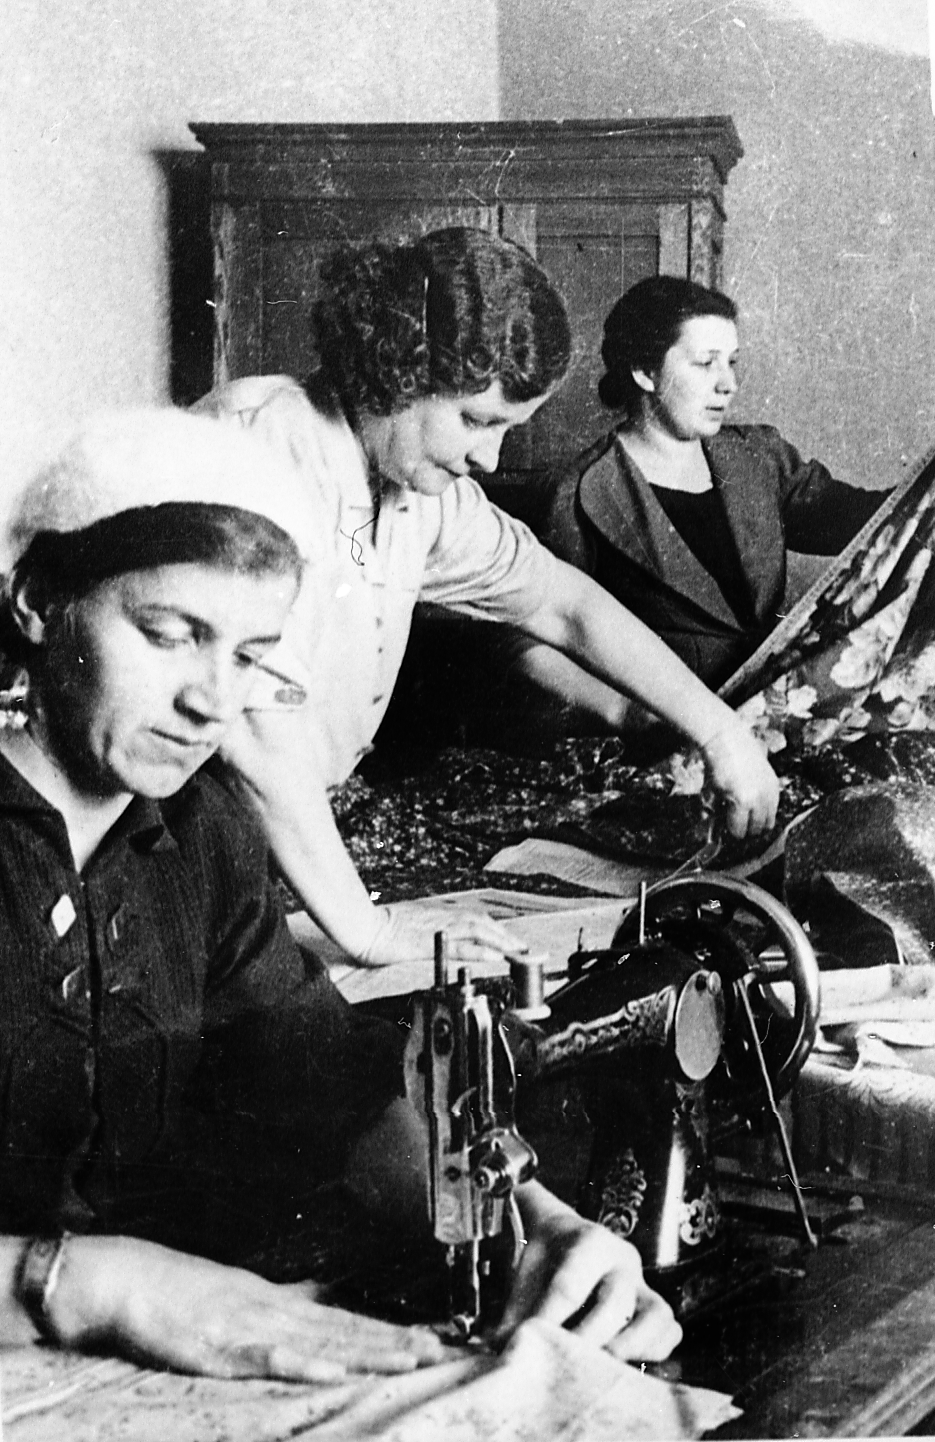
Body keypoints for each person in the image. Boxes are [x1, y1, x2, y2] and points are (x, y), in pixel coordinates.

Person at [0, 407, 682, 1379]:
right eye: (169, 635)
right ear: (38, 600)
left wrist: (531, 1223)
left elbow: (321, 1084)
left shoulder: (200, 833)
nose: (211, 700)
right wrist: (86, 1282)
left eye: (248, 657)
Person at [195, 229, 781, 968]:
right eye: (476, 420)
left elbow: (561, 603)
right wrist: (373, 934)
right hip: (193, 841)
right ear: (397, 370)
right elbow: (256, 732)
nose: (489, 457)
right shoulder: (261, 446)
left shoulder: (414, 484)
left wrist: (718, 732)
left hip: (286, 828)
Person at [515, 275, 888, 726]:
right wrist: (627, 714)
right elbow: (527, 639)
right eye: (706, 363)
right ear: (645, 372)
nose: (728, 384)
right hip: (671, 732)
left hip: (776, 718)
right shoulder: (579, 493)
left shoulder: (760, 457)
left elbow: (872, 523)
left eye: (732, 362)